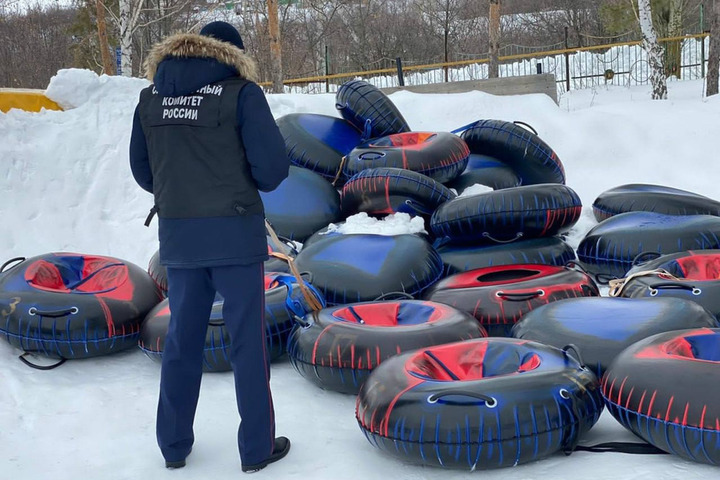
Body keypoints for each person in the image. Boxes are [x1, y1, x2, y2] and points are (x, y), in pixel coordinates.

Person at [129, 21, 290, 473]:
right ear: (231, 55)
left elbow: (145, 174)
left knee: (182, 342)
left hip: (179, 240)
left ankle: (173, 446)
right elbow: (273, 171)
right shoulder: (241, 95)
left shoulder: (151, 99)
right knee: (247, 346)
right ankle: (256, 450)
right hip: (235, 238)